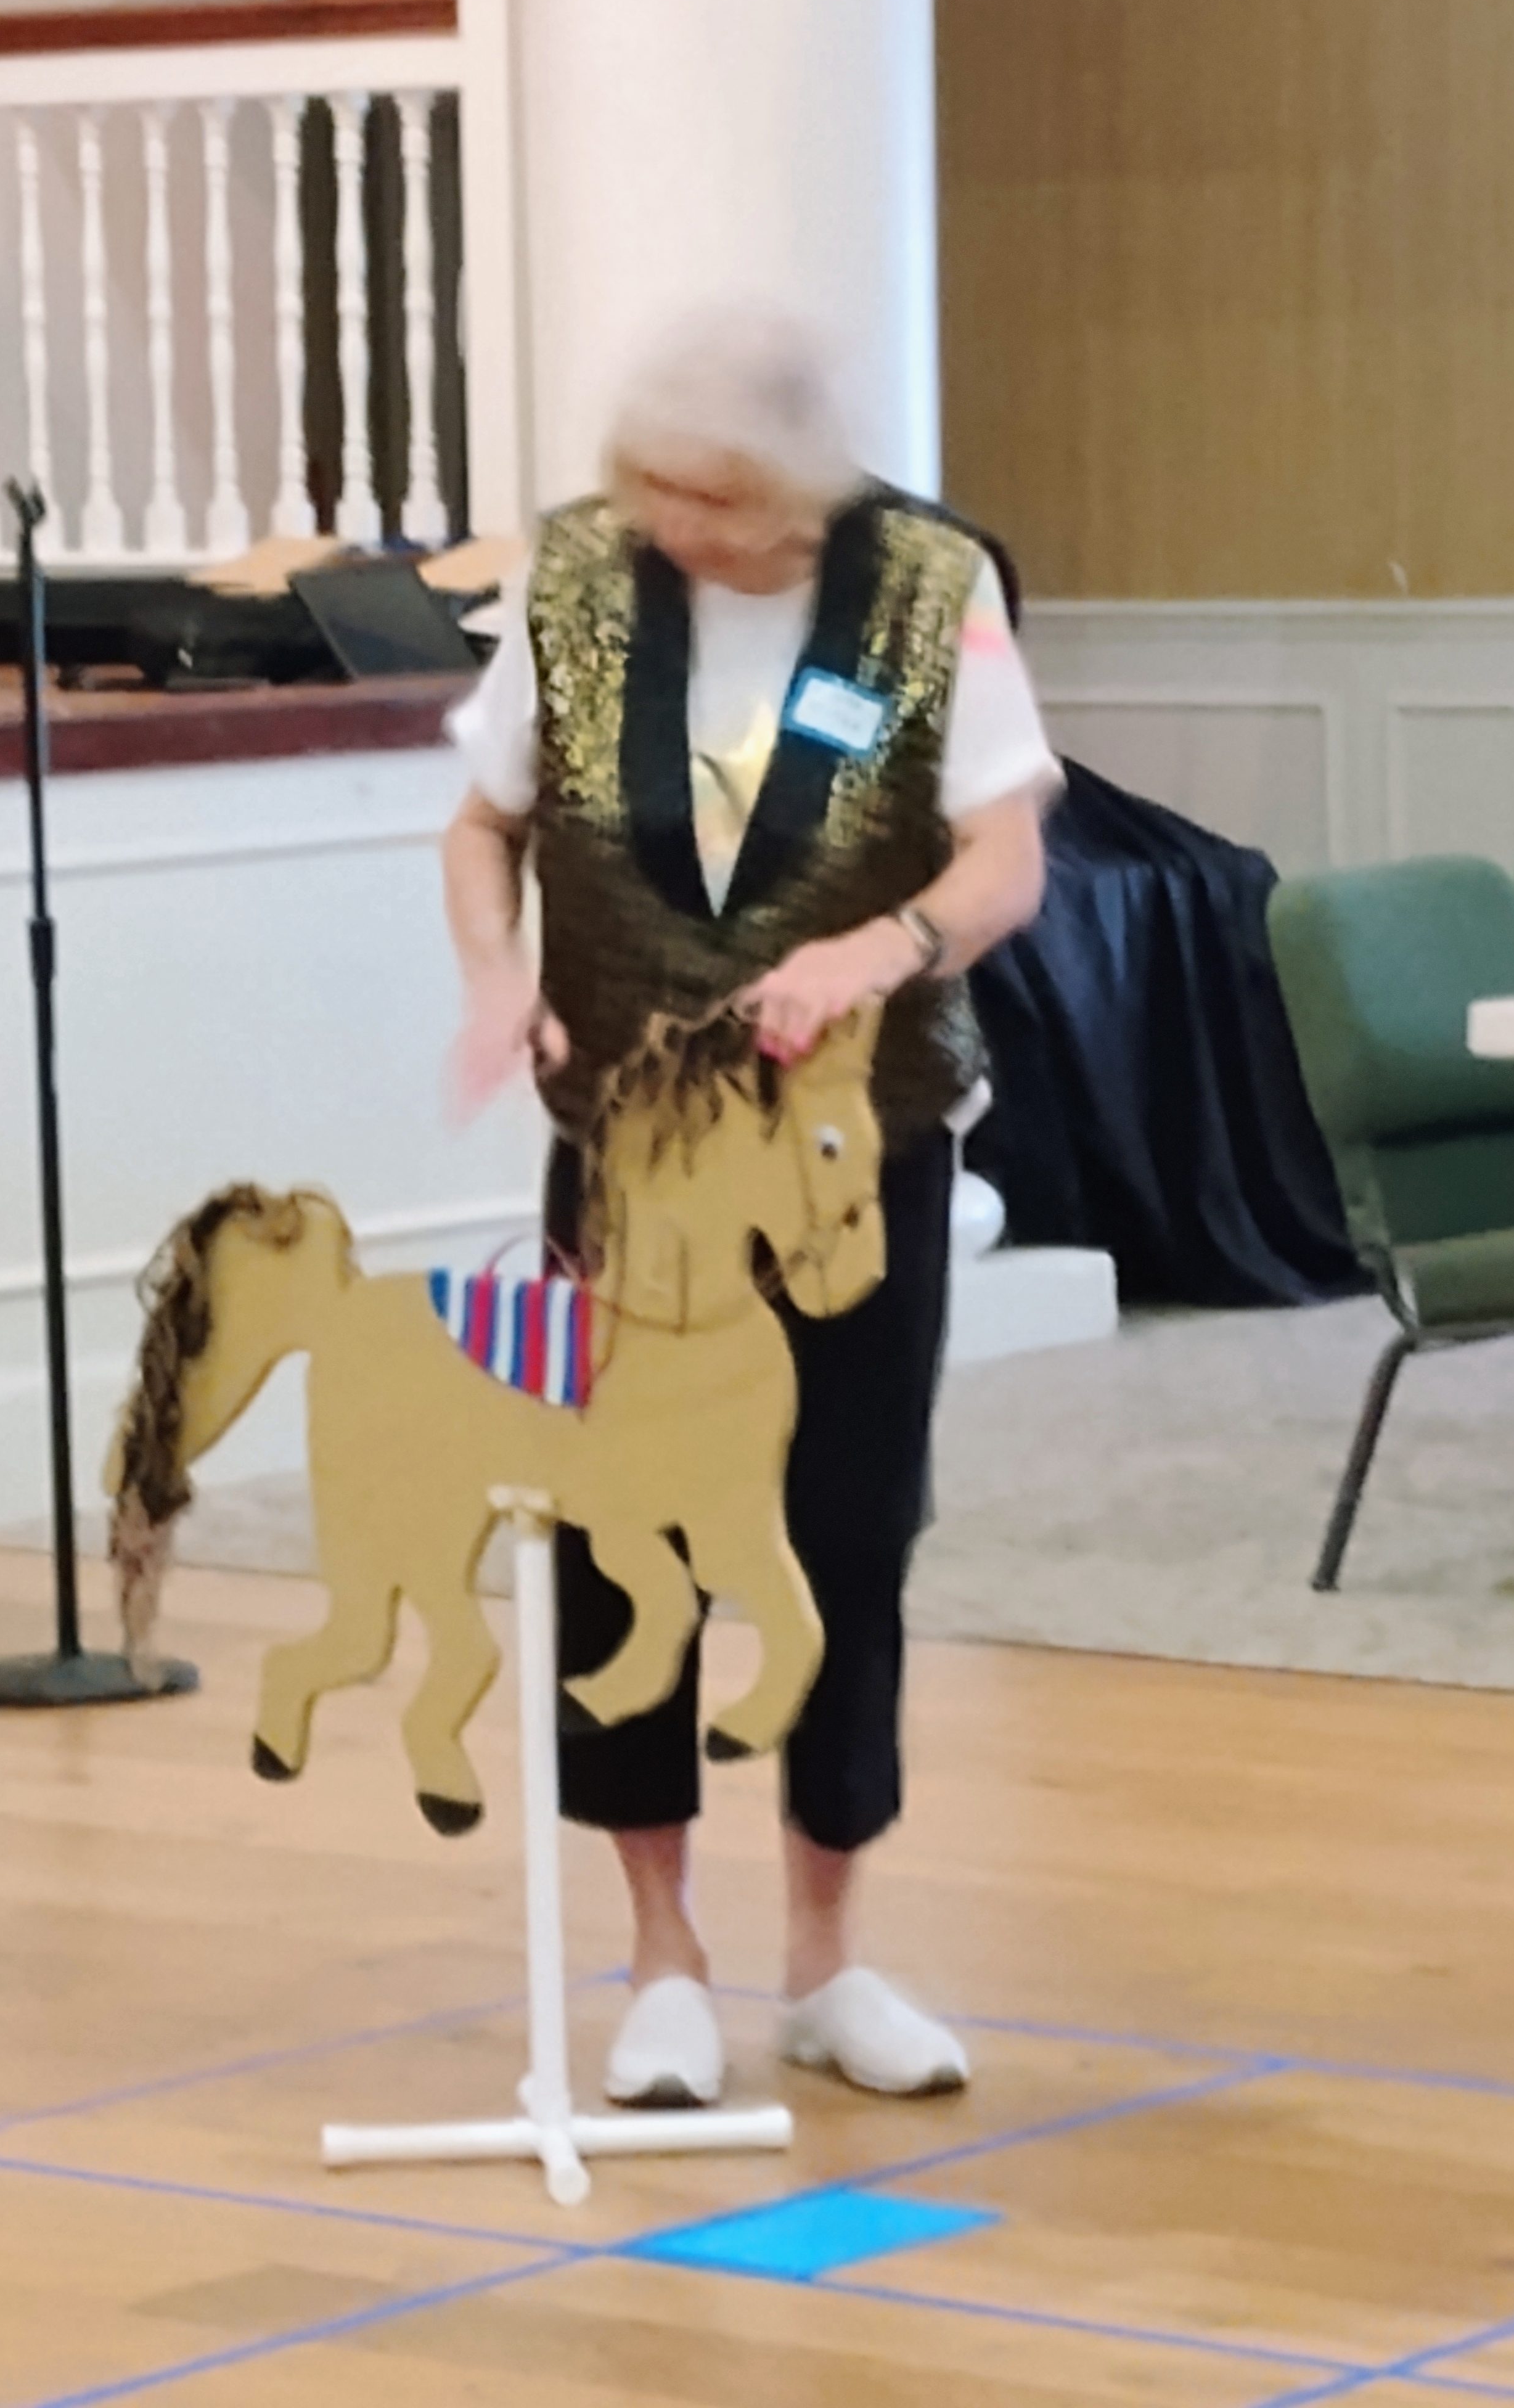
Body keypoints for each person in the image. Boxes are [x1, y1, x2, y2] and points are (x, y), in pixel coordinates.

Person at [441, 303, 1060, 2107]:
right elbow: (481, 824)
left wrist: (886, 944)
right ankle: (663, 1961)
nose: (675, 525)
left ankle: (827, 1963)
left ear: (802, 487)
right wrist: (496, 977)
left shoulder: (932, 587)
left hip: (856, 1152)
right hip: (626, 1157)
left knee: (844, 1530)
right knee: (622, 1540)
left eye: (712, 497)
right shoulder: (575, 579)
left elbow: (1008, 855)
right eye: (650, 487)